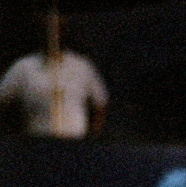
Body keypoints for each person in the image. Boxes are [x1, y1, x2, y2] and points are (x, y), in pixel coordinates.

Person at [0, 10, 108, 139]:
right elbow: (3, 99)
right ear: (40, 32)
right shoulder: (23, 67)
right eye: (48, 30)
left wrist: (93, 137)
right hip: (35, 147)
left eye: (58, 30)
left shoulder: (82, 66)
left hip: (76, 147)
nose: (53, 36)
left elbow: (100, 103)